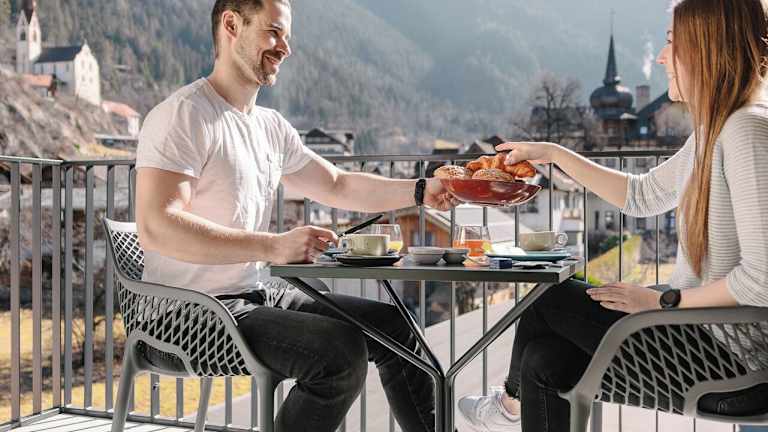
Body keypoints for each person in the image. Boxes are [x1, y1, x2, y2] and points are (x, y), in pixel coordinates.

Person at [134, 1, 461, 431]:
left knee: (394, 327)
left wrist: (421, 190)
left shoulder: (269, 127)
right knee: (339, 354)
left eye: (286, 36)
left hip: (254, 295)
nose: (285, 47)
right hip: (182, 314)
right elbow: (157, 226)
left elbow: (337, 184)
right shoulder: (184, 115)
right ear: (231, 24)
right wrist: (273, 246)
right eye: (273, 32)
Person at [458, 0, 768, 430]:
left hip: (735, 365)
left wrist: (662, 301)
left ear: (707, 47)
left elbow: (763, 279)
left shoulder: (746, 130)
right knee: (544, 360)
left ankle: (508, 405)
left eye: (671, 42)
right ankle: (510, 405)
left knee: (549, 296)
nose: (662, 57)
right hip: (699, 340)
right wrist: (555, 154)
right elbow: (641, 195)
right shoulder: (714, 131)